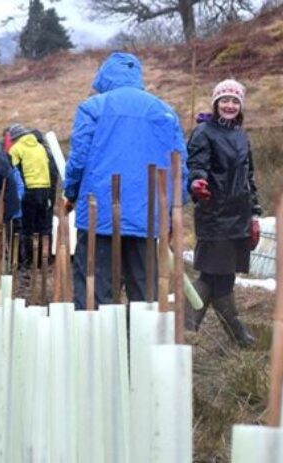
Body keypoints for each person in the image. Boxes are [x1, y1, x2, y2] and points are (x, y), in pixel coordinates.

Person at [66, 52, 186, 310]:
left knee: (94, 287)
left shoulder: (93, 107)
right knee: (145, 290)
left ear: (104, 77)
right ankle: (143, 346)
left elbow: (78, 159)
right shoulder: (165, 113)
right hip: (148, 214)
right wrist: (174, 208)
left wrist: (70, 193)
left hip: (100, 212)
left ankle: (96, 345)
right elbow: (179, 166)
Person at [185, 79, 261, 348]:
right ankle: (188, 330)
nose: (229, 105)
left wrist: (254, 215)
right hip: (214, 215)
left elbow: (248, 177)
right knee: (210, 275)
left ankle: (234, 335)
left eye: (235, 101)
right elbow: (195, 166)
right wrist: (197, 183)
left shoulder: (241, 135)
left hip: (239, 217)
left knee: (223, 276)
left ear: (240, 106)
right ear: (216, 103)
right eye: (224, 100)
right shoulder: (203, 132)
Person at [6, 124, 58, 270]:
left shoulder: (16, 149)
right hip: (45, 190)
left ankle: (28, 261)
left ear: (14, 138)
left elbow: (13, 172)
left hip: (29, 191)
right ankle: (44, 260)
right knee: (43, 226)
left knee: (27, 227)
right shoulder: (40, 147)